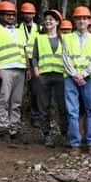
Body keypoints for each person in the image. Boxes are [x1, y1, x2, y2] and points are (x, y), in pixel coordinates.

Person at [62, 6, 91, 153]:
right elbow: (65, 58)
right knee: (73, 111)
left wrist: (84, 74)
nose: (81, 21)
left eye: (84, 18)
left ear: (89, 20)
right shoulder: (66, 38)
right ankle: (75, 144)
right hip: (70, 78)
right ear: (74, 20)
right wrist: (75, 74)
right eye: (79, 18)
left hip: (89, 79)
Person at [0, 1, 27, 141]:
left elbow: (25, 50)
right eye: (7, 14)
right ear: (0, 15)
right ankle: (3, 128)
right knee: (4, 99)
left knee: (16, 101)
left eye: (12, 14)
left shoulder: (20, 31)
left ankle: (14, 128)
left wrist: (27, 68)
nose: (10, 17)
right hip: (4, 68)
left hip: (20, 69)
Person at [31, 9, 68, 147]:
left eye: (51, 19)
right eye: (46, 19)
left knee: (63, 106)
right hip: (44, 76)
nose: (48, 21)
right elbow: (34, 56)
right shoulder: (39, 38)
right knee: (43, 106)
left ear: (57, 22)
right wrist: (36, 70)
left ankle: (64, 134)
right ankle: (47, 135)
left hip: (61, 76)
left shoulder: (64, 39)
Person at [18, 2, 40, 126]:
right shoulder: (17, 28)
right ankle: (17, 115)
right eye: (25, 13)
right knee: (19, 90)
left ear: (34, 14)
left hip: (36, 62)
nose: (28, 15)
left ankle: (35, 116)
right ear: (22, 14)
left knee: (35, 90)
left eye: (30, 13)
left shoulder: (40, 28)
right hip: (21, 61)